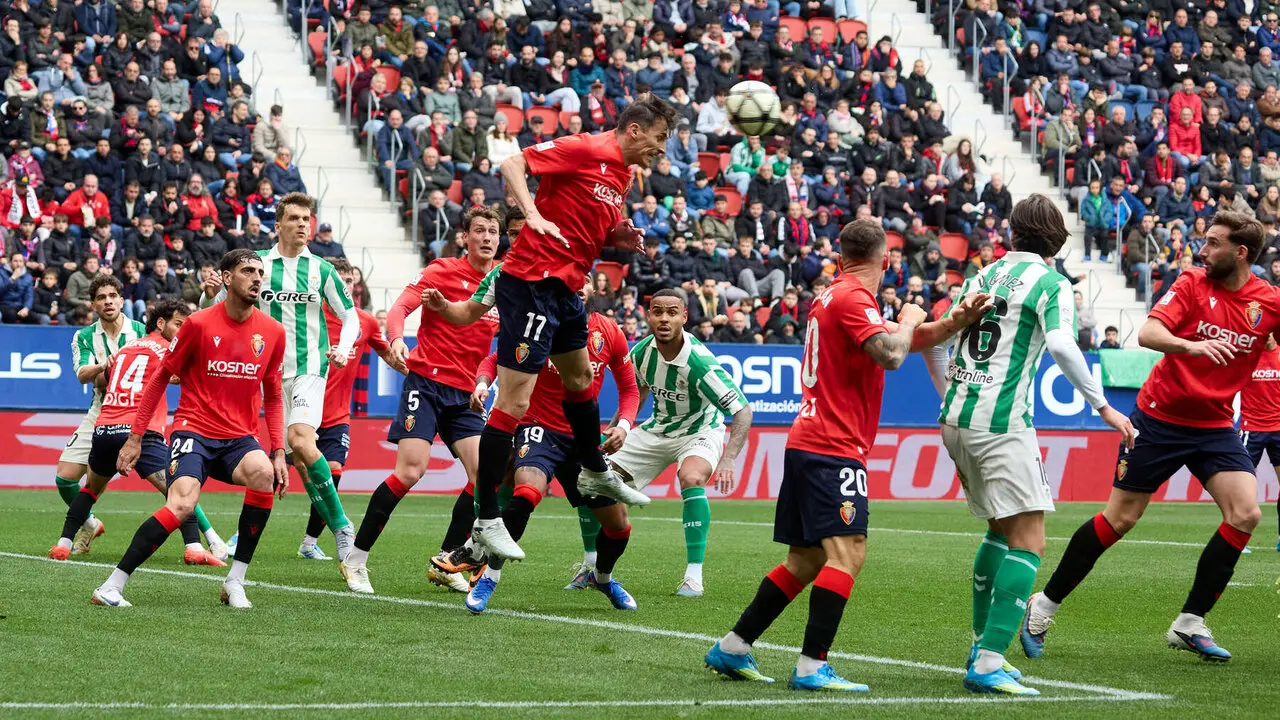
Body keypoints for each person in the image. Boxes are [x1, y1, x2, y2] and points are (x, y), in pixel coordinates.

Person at [704, 219, 990, 691]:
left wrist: (954, 321)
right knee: (849, 554)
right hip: (832, 448)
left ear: (841, 257)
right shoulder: (857, 299)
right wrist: (912, 317)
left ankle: (733, 648)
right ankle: (813, 667)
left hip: (808, 442)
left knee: (805, 561)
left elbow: (899, 341)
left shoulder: (835, 294)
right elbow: (893, 354)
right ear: (886, 260)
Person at [1023, 211, 1277, 662]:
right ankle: (1043, 604)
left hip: (1215, 424)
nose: (1204, 249)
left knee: (1246, 513)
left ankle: (1190, 621)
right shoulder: (1192, 284)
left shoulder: (1268, 303)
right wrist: (1191, 345)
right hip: (1159, 419)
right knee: (1119, 520)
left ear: (1241, 253)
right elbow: (1149, 331)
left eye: (1214, 243)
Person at [931, 195, 1135, 696]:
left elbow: (936, 341)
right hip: (1001, 425)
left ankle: (982, 644)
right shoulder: (1051, 283)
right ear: (1056, 238)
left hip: (956, 417)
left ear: (1013, 232)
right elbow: (1064, 345)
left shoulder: (982, 276)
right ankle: (990, 660)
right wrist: (1103, 407)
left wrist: (953, 392)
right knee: (1030, 541)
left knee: (999, 531)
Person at [468, 96, 678, 561]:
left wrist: (617, 235)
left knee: (581, 379)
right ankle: (485, 520)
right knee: (514, 401)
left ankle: (594, 471)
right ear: (636, 130)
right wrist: (533, 213)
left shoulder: (623, 174)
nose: (661, 150)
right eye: (660, 138)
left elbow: (589, 224)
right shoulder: (587, 146)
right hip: (531, 281)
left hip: (566, 288)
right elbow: (512, 163)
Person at [90, 249, 287, 609]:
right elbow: (160, 377)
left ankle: (235, 582)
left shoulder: (273, 332)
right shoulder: (197, 325)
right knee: (182, 504)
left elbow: (273, 395)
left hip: (239, 438)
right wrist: (135, 438)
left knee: (262, 474)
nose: (257, 277)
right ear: (227, 278)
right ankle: (111, 586)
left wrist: (277, 450)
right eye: (247, 271)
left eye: (260, 272)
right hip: (193, 430)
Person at [455, 279, 643, 614]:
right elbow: (493, 359)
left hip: (583, 439)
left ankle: (602, 576)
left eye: (585, 280)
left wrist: (624, 426)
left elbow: (630, 389)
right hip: (539, 429)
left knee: (619, 525)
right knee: (527, 491)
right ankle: (489, 577)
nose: (580, 286)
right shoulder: (538, 326)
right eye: (573, 281)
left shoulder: (609, 332)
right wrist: (484, 383)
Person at [342, 208, 501, 594]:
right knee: (411, 472)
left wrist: (485, 381)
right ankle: (356, 558)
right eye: (478, 230)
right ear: (465, 237)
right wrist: (397, 338)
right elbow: (399, 308)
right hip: (426, 384)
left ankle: (448, 559)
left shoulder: (504, 282)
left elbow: (502, 347)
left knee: (484, 480)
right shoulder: (440, 271)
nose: (486, 237)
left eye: (493, 232)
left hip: (466, 394)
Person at [202, 193, 360, 565]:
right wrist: (207, 297)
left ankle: (341, 528)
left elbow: (350, 315)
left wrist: (343, 346)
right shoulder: (257, 267)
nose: (304, 225)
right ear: (279, 225)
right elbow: (215, 313)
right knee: (294, 461)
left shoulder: (321, 270)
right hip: (265, 377)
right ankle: (306, 531)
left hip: (309, 368)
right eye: (295, 218)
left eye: (308, 218)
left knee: (300, 442)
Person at [585, 288, 753, 598]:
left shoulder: (699, 362)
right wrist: (616, 429)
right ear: (648, 316)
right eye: (657, 312)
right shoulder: (641, 352)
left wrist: (728, 460)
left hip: (699, 431)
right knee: (592, 478)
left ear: (684, 318)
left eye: (672, 313)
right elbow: (637, 393)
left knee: (690, 477)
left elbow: (742, 410)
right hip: (657, 429)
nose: (664, 318)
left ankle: (693, 577)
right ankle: (589, 565)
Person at [47, 300, 226, 566]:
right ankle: (195, 547)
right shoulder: (169, 349)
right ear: (162, 324)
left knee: (91, 489)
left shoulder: (126, 348)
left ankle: (62, 545)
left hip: (105, 427)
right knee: (179, 488)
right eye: (179, 325)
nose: (182, 331)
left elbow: (106, 378)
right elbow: (188, 376)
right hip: (138, 431)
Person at [296, 258, 406, 560]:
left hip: (336, 417)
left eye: (349, 280)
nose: (345, 285)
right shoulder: (306, 317)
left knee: (332, 474)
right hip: (300, 412)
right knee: (268, 475)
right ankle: (241, 535)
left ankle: (309, 542)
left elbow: (388, 355)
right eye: (339, 279)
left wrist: (418, 373)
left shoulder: (364, 322)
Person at [52, 274, 149, 556]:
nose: (107, 301)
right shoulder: (83, 336)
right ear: (93, 305)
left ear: (122, 300)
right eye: (101, 298)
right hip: (100, 411)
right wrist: (103, 367)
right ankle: (91, 523)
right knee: (65, 478)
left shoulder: (141, 332)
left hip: (135, 413)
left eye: (112, 296)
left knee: (166, 478)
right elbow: (83, 375)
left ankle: (205, 538)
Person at [1239, 334, 1280, 552]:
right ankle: (1238, 537)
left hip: (1279, 429)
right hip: (1251, 428)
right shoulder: (1248, 357)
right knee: (1240, 485)